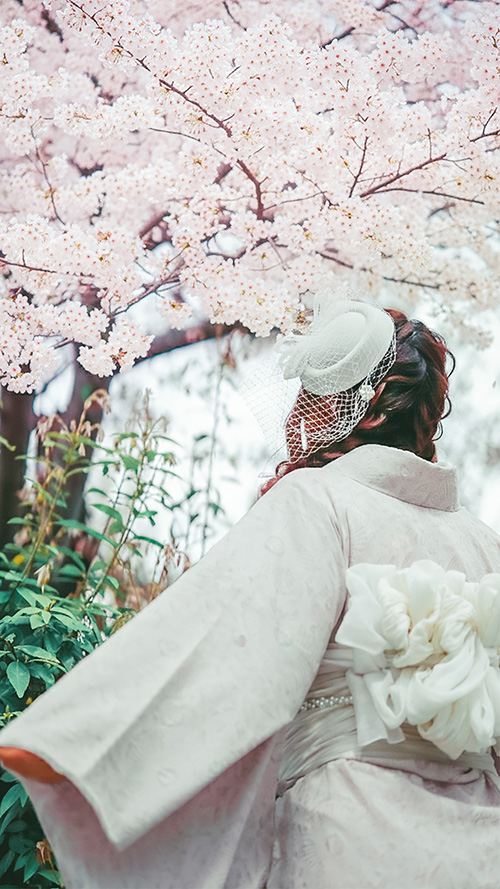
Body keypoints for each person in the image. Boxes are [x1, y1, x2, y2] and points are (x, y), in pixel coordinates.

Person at [0, 298, 499, 889]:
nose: (296, 413)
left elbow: (221, 654)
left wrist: (71, 740)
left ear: (362, 413)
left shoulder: (318, 500)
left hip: (352, 831)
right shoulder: (484, 541)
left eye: (314, 397)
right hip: (479, 845)